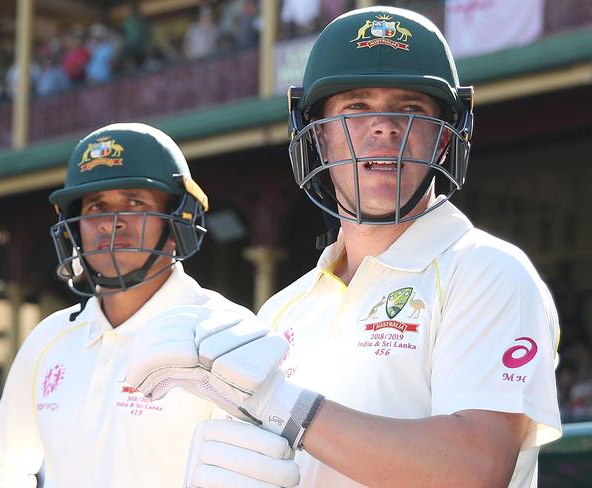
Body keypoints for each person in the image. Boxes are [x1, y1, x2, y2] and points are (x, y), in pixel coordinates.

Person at [126, 7, 562, 487]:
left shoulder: (488, 272)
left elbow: (474, 470)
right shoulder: (282, 311)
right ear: (320, 136)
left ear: (443, 139)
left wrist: (281, 403)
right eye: (355, 107)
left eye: (411, 109)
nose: (384, 128)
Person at [0, 123, 299, 487]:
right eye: (96, 207)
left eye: (134, 203)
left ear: (179, 220)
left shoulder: (226, 332)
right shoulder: (50, 338)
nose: (112, 223)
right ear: (74, 228)